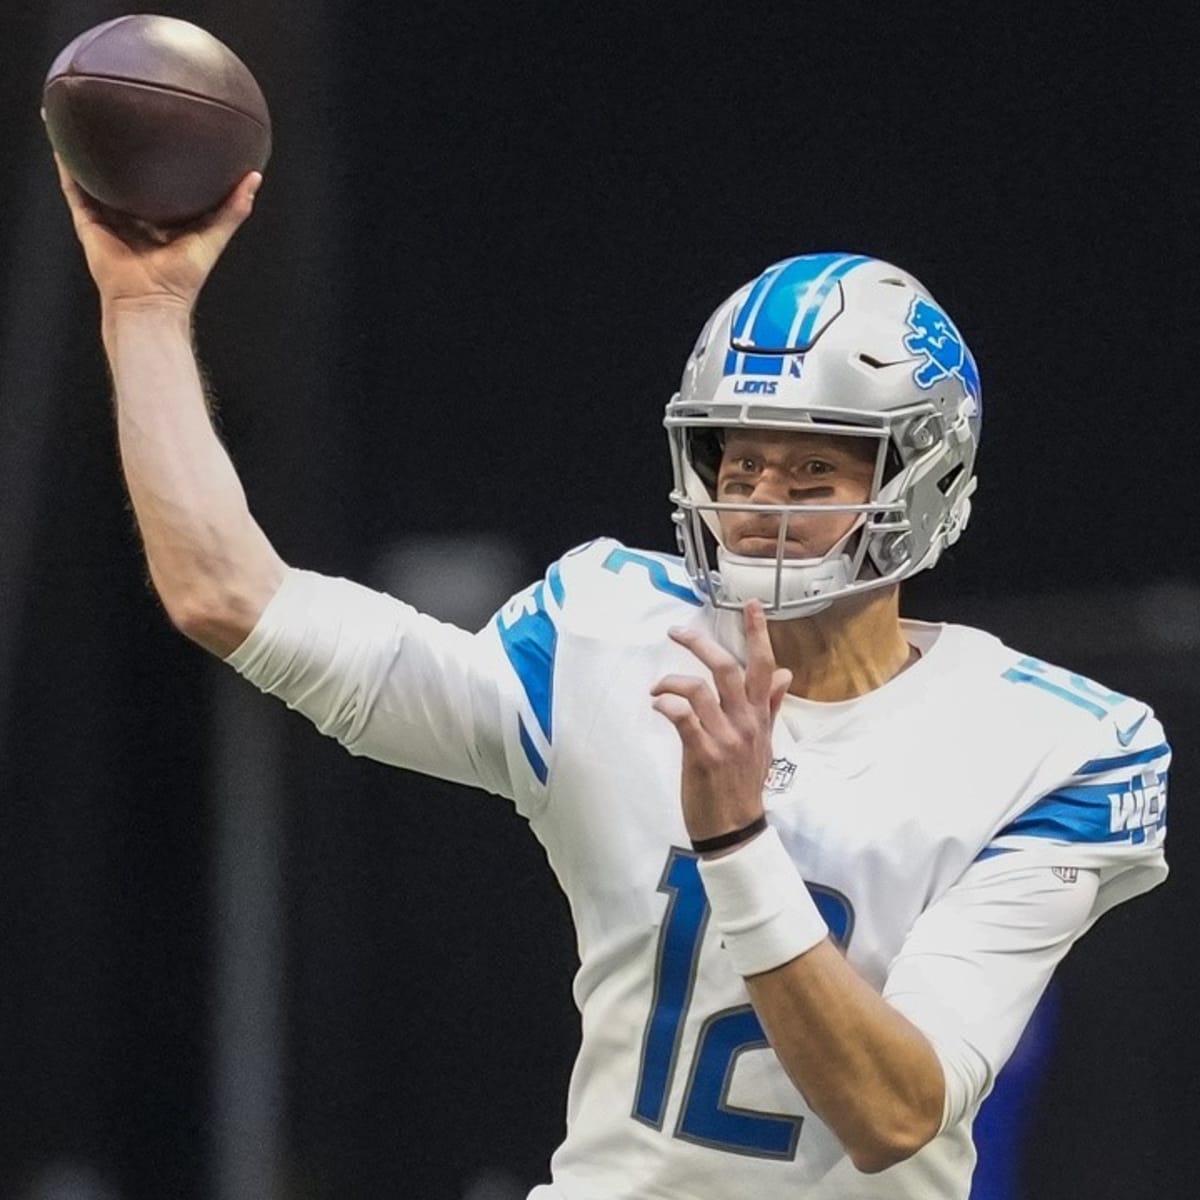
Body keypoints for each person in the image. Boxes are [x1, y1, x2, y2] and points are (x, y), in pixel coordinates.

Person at [54, 157, 1169, 1200]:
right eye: (739, 462)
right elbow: (230, 597)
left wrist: (736, 845)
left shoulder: (1062, 746)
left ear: (925, 478)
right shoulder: (610, 626)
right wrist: (144, 310)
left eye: (814, 467)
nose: (763, 503)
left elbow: (895, 1111)